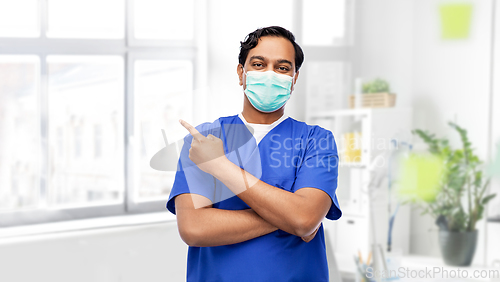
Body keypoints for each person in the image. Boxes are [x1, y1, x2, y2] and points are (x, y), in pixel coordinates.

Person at [166, 26, 342, 282]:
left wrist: (220, 166)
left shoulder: (316, 140)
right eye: (259, 64)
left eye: (282, 68)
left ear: (294, 79)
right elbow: (194, 228)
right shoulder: (204, 140)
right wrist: (289, 217)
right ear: (241, 73)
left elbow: (304, 219)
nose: (270, 74)